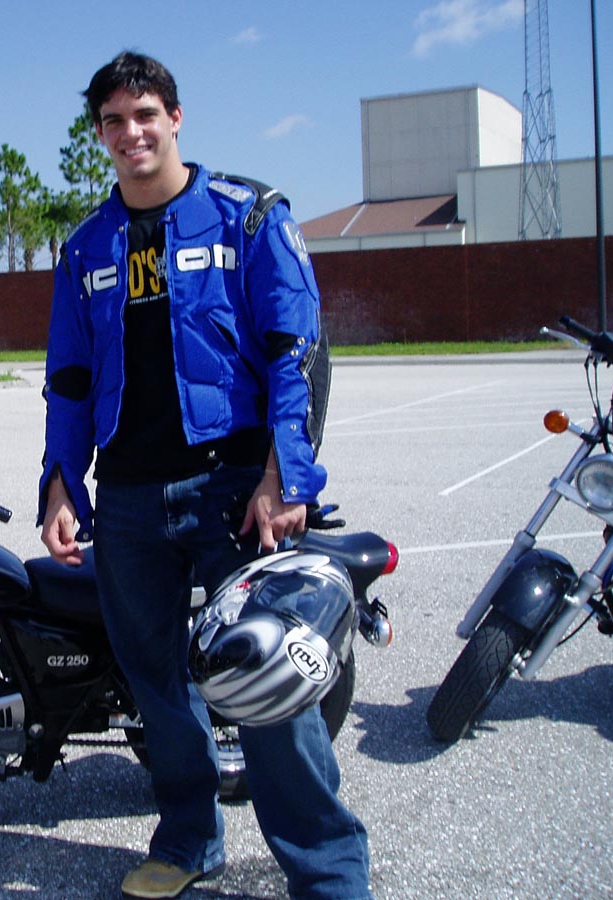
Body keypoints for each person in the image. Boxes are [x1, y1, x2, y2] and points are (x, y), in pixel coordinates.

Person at [38, 51, 373, 900]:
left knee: (266, 683)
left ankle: (329, 873)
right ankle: (189, 840)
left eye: (144, 114)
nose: (131, 133)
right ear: (100, 134)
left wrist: (284, 478)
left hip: (232, 491)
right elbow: (69, 380)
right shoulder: (85, 249)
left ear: (176, 118)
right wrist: (61, 484)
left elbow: (296, 353)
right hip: (128, 500)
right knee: (156, 684)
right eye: (113, 121)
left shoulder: (248, 217)